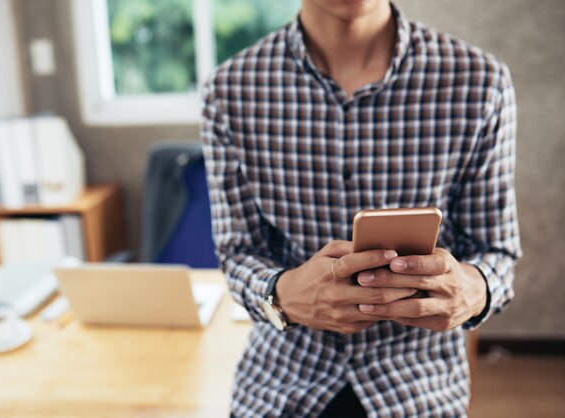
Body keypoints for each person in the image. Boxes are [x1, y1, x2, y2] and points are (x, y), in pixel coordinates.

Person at [200, 0, 521, 416]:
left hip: (418, 385)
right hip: (281, 381)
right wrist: (281, 293)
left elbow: (496, 251)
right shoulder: (228, 91)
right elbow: (237, 252)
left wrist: (472, 289)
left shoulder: (481, 83)